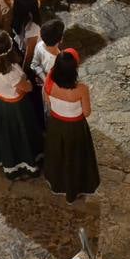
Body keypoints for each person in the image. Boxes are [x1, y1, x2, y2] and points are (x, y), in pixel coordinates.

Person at [0, 30, 43, 179]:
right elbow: (27, 88)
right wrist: (29, 82)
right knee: (22, 135)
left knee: (8, 136)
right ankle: (28, 163)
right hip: (17, 108)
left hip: (0, 103)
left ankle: (12, 163)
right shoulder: (11, 72)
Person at [43, 50, 99, 202]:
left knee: (59, 156)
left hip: (56, 125)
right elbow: (86, 112)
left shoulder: (49, 83)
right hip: (75, 128)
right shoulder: (81, 89)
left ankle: (59, 184)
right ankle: (77, 187)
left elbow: (48, 102)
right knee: (75, 159)